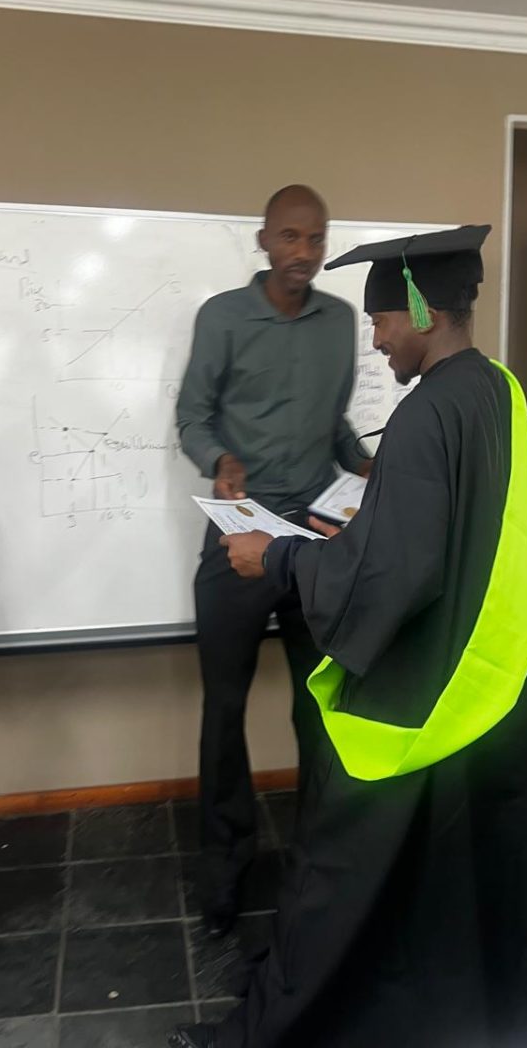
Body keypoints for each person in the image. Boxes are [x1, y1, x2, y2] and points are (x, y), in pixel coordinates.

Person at [170, 225, 527, 1048]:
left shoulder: (426, 414)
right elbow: (453, 538)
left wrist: (276, 557)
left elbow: (391, 578)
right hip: (496, 672)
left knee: (342, 860)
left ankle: (285, 1020)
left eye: (382, 321)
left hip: (426, 687)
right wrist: (360, 528)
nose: (377, 341)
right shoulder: (498, 391)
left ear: (420, 310)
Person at [176, 185, 372, 937]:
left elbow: (335, 426)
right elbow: (192, 415)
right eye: (290, 237)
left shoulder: (340, 322)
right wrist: (220, 459)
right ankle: (224, 869)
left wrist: (364, 463)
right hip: (240, 534)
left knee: (320, 702)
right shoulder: (222, 317)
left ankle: (320, 858)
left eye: (316, 239)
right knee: (223, 709)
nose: (304, 253)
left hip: (316, 541)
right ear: (263, 240)